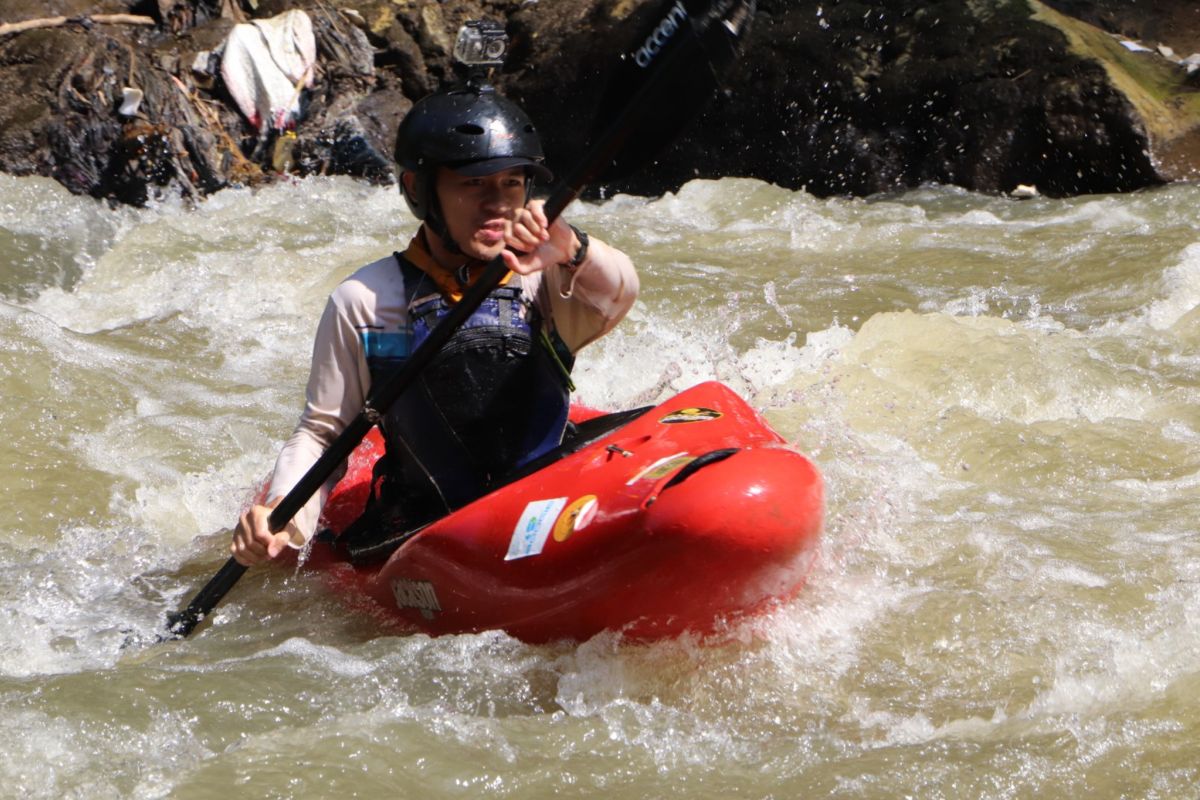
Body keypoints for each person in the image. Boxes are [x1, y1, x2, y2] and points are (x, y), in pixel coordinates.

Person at [231, 82, 639, 567]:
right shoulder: (372, 302)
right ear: (417, 189)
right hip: (433, 527)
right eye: (474, 184)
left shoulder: (541, 275)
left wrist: (572, 247)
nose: (499, 203)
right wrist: (283, 515)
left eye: (512, 182)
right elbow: (324, 434)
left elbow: (620, 293)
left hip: (547, 502)